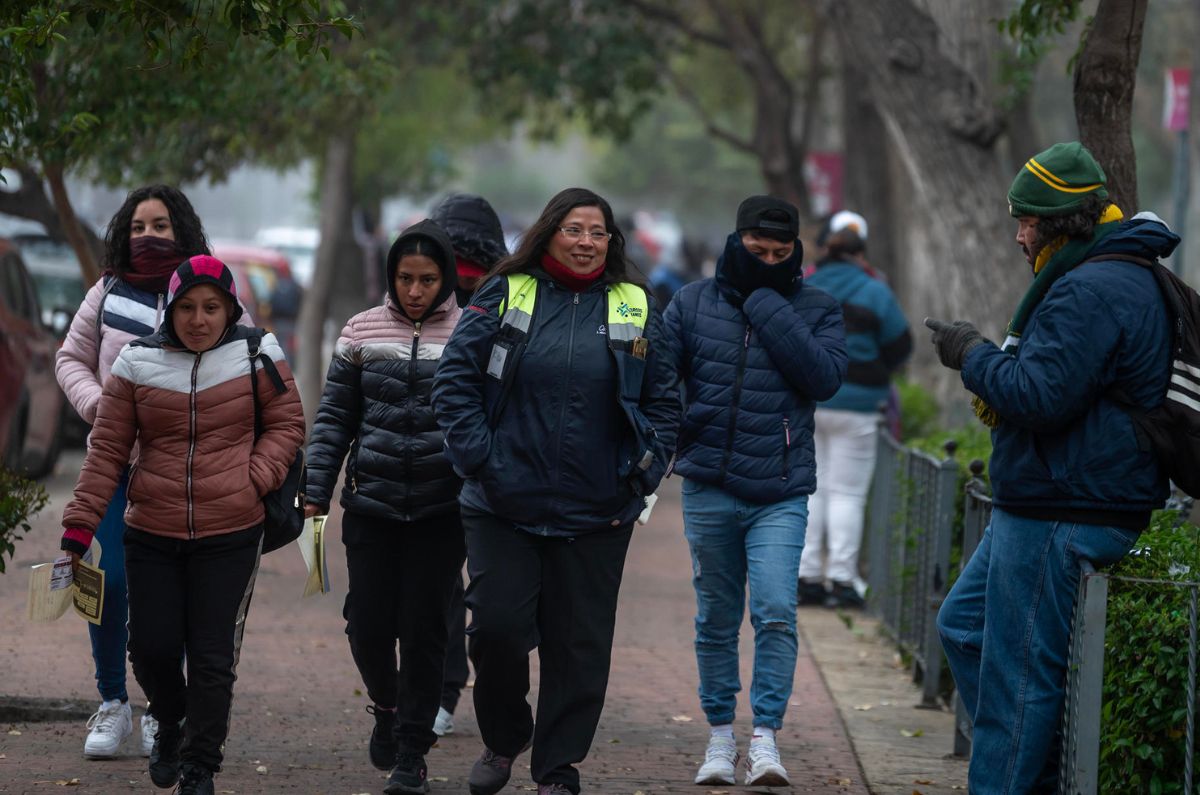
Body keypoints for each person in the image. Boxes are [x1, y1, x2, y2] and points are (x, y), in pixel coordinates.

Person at [929, 141, 1177, 794]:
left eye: (1027, 222)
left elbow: (1038, 395)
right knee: (961, 626)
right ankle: (1035, 772)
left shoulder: (1092, 288)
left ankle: (1012, 778)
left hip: (1063, 507)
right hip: (1049, 499)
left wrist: (970, 353)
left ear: (1060, 223)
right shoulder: (1106, 272)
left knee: (1016, 683)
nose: (1018, 236)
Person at [431, 187, 680, 795]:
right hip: (501, 504)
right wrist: (480, 461)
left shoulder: (636, 304)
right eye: (574, 229)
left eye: (598, 232)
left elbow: (666, 401)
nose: (586, 242)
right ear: (549, 234)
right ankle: (503, 737)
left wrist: (641, 474)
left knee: (579, 646)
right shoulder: (506, 292)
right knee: (496, 631)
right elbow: (456, 381)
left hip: (598, 510)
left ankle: (558, 767)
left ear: (612, 242)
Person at [59, 255, 305, 795]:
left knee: (213, 657)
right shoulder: (135, 362)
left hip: (231, 532)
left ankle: (200, 765)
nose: (199, 319)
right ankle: (169, 722)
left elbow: (289, 424)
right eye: (188, 307)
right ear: (170, 310)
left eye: (211, 307)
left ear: (229, 309)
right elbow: (106, 451)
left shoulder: (256, 352)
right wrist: (79, 525)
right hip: (152, 530)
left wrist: (253, 479)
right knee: (151, 649)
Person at [54, 185, 252, 761]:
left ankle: (167, 712)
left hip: (188, 477)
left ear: (183, 230)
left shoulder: (209, 292)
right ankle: (113, 703)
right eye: (140, 225)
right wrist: (103, 407)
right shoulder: (107, 291)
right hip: (115, 468)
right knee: (109, 582)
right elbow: (69, 358)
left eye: (162, 225)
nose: (150, 235)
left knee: (180, 600)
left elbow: (250, 364)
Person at [661, 195, 847, 787]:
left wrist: (765, 301)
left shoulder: (817, 307)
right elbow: (662, 383)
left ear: (798, 252)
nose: (766, 259)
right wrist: (678, 436)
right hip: (709, 483)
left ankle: (765, 737)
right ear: (735, 239)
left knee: (774, 611)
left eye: (780, 253)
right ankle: (720, 737)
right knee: (716, 617)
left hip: (780, 488)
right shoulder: (692, 303)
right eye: (756, 250)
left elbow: (824, 378)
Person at [304, 220, 466, 794]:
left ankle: (411, 755)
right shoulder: (359, 332)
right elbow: (334, 420)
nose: (416, 290)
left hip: (441, 511)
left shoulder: (472, 333)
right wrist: (315, 488)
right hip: (370, 506)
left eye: (427, 279)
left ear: (445, 279)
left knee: (425, 631)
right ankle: (386, 704)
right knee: (367, 626)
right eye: (405, 278)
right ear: (390, 277)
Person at [797, 211, 912, 608]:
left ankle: (806, 575)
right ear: (861, 253)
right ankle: (842, 580)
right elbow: (901, 346)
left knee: (810, 489)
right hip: (861, 405)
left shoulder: (805, 284)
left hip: (809, 402)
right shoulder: (875, 290)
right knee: (847, 493)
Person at [427, 193, 510, 738]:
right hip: (481, 462)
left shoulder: (425, 287)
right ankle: (459, 688)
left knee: (444, 585)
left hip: (450, 462)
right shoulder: (508, 294)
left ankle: (446, 688)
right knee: (472, 587)